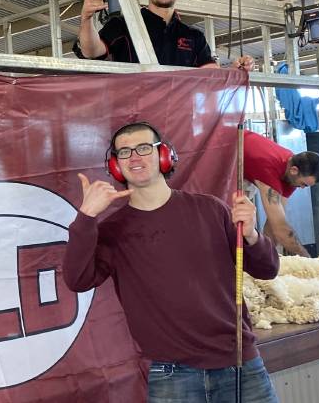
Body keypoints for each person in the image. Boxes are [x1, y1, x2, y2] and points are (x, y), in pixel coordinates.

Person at [63, 122, 280, 402]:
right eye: (125, 152)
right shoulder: (111, 230)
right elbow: (77, 280)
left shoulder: (211, 209)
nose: (135, 157)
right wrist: (86, 218)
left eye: (143, 148)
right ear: (116, 165)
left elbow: (268, 268)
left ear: (164, 155)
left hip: (240, 364)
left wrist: (250, 234)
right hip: (172, 375)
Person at [74, 0, 253, 70]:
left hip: (178, 122)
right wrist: (86, 17)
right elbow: (91, 51)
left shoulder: (193, 36)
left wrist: (234, 70)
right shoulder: (123, 25)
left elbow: (211, 74)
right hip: (133, 123)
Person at [242, 130, 319, 257]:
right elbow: (281, 230)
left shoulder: (291, 173)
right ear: (294, 170)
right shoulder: (269, 171)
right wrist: (308, 259)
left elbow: (275, 223)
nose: (302, 188)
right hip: (219, 148)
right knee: (232, 215)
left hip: (246, 159)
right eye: (303, 184)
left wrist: (268, 260)